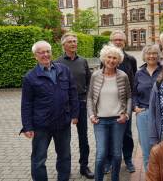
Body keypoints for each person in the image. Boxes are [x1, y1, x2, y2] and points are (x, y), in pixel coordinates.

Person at [21, 40, 79, 181]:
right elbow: (26, 104)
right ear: (35, 56)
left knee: (65, 156)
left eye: (48, 51)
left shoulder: (63, 70)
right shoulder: (30, 77)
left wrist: (75, 114)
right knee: (39, 159)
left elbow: (73, 93)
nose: (46, 55)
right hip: (42, 125)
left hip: (63, 122)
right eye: (42, 52)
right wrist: (27, 126)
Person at [87, 44, 132, 181]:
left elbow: (129, 97)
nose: (111, 60)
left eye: (115, 58)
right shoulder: (95, 75)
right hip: (100, 121)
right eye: (109, 57)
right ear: (103, 58)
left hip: (118, 120)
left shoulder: (123, 76)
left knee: (117, 154)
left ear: (118, 61)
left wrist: (127, 114)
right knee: (101, 155)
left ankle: (115, 179)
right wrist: (91, 115)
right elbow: (89, 97)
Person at [56, 32, 94, 179]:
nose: (73, 44)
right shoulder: (57, 62)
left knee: (83, 137)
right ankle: (64, 169)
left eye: (75, 41)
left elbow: (89, 82)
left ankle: (84, 167)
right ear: (64, 45)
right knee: (63, 139)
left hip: (81, 103)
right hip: (64, 105)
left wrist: (87, 98)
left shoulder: (83, 61)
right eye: (70, 41)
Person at [103, 29, 137, 173]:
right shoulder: (105, 59)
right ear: (111, 41)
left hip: (125, 103)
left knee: (127, 133)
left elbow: (134, 82)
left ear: (124, 42)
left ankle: (128, 159)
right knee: (110, 133)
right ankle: (109, 161)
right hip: (108, 103)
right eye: (115, 39)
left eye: (120, 40)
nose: (118, 42)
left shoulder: (131, 60)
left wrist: (133, 104)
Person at [133, 44, 163, 171]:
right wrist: (135, 107)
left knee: (162, 148)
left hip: (162, 113)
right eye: (149, 53)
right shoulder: (139, 73)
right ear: (144, 56)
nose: (151, 56)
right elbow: (133, 93)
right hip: (144, 113)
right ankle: (150, 176)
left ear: (158, 55)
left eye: (154, 53)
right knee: (146, 149)